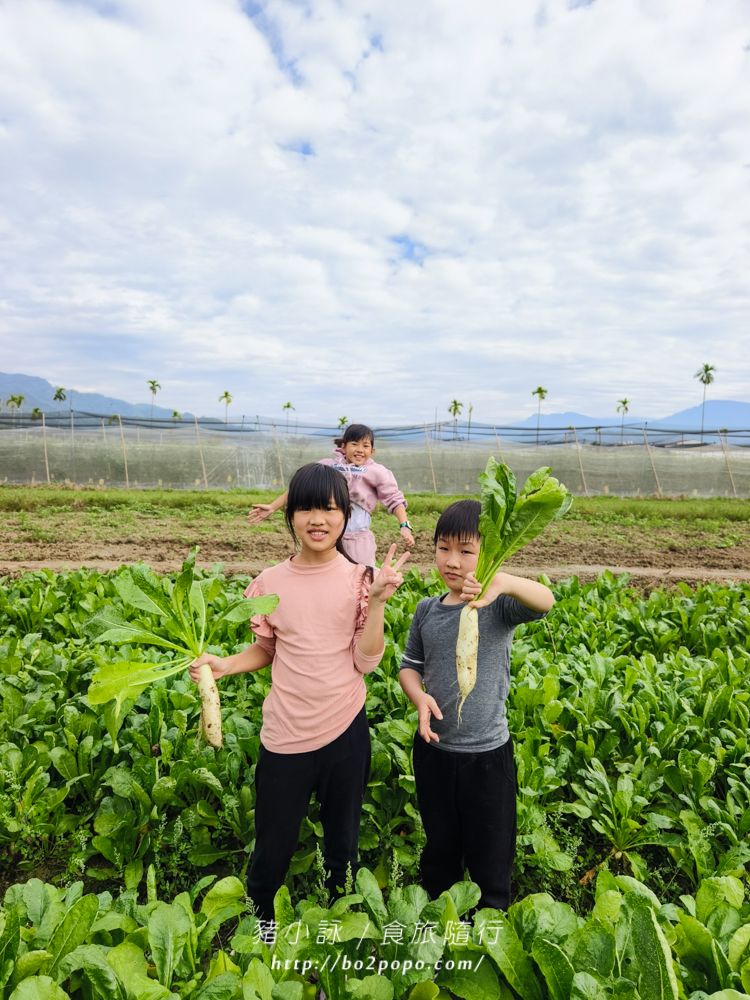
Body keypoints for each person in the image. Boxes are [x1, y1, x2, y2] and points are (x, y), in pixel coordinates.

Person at [191, 463, 409, 920]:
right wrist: (223, 666)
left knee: (342, 841)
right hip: (285, 734)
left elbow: (365, 662)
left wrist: (380, 603)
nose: (318, 519)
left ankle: (340, 919)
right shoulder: (270, 582)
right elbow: (266, 648)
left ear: (346, 516)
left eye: (330, 509)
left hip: (346, 730)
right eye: (306, 507)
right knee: (274, 838)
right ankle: (262, 916)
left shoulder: (360, 580)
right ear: (290, 514)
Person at [398, 499, 554, 911]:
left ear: (486, 555)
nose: (453, 561)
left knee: (491, 848)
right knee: (441, 844)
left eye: (466, 551)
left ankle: (491, 922)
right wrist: (419, 696)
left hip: (488, 755)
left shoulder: (498, 605)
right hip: (434, 751)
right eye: (443, 548)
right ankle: (440, 916)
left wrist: (500, 581)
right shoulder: (426, 611)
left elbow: (546, 600)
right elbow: (409, 667)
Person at [246, 423, 415, 567]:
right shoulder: (328, 467)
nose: (359, 450)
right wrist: (272, 507)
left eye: (365, 446)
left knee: (362, 577)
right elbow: (300, 488)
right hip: (326, 535)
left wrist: (404, 526)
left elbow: (394, 499)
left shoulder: (378, 472)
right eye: (354, 444)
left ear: (372, 451)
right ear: (343, 447)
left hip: (356, 538)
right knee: (321, 572)